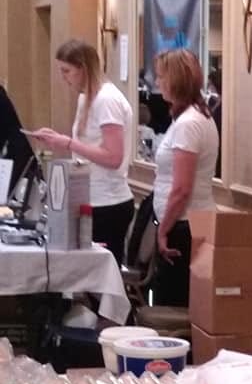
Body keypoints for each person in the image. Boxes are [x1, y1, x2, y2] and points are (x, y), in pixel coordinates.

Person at [30, 39, 134, 266]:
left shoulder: (107, 100)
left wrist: (68, 143)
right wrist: (58, 139)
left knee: (99, 273)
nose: (63, 77)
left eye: (67, 71)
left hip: (108, 202)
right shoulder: (85, 98)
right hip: (89, 198)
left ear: (83, 68)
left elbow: (113, 157)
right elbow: (87, 146)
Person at [151, 48, 219, 306]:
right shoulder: (194, 117)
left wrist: (163, 230)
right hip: (188, 223)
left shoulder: (189, 124)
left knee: (174, 302)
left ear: (175, 80)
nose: (157, 82)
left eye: (161, 76)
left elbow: (181, 189)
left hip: (183, 226)